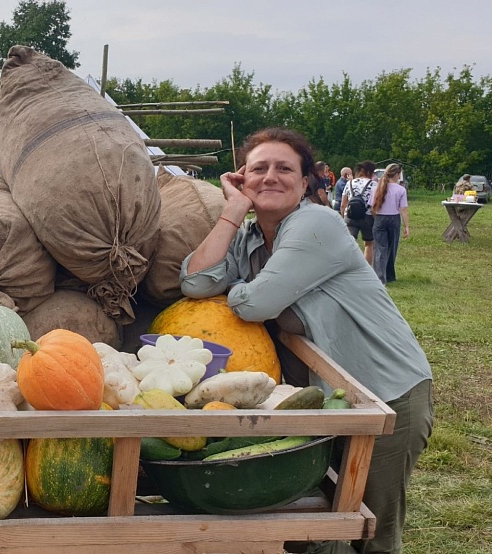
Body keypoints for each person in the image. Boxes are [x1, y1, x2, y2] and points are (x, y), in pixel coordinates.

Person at [179, 127, 432, 554]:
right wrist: (233, 212)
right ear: (241, 178)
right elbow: (194, 282)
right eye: (258, 169)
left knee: (370, 533)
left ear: (304, 183)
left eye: (284, 169)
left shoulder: (317, 223)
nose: (270, 177)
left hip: (387, 394)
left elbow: (257, 304)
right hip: (329, 400)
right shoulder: (250, 238)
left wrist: (237, 289)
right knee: (314, 526)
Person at [370, 163, 409, 285]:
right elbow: (403, 209)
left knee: (380, 248)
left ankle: (379, 276)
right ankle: (390, 275)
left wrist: (376, 218)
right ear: (396, 174)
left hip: (380, 218)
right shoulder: (401, 190)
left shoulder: (376, 188)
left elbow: (372, 207)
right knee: (392, 248)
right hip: (394, 219)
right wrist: (407, 226)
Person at [341, 161, 378, 264]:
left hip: (350, 216)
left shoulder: (350, 183)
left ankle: (348, 266)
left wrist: (343, 216)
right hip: (367, 216)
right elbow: (375, 205)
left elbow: (343, 204)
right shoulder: (374, 184)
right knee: (369, 243)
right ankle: (366, 267)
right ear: (369, 172)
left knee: (350, 243)